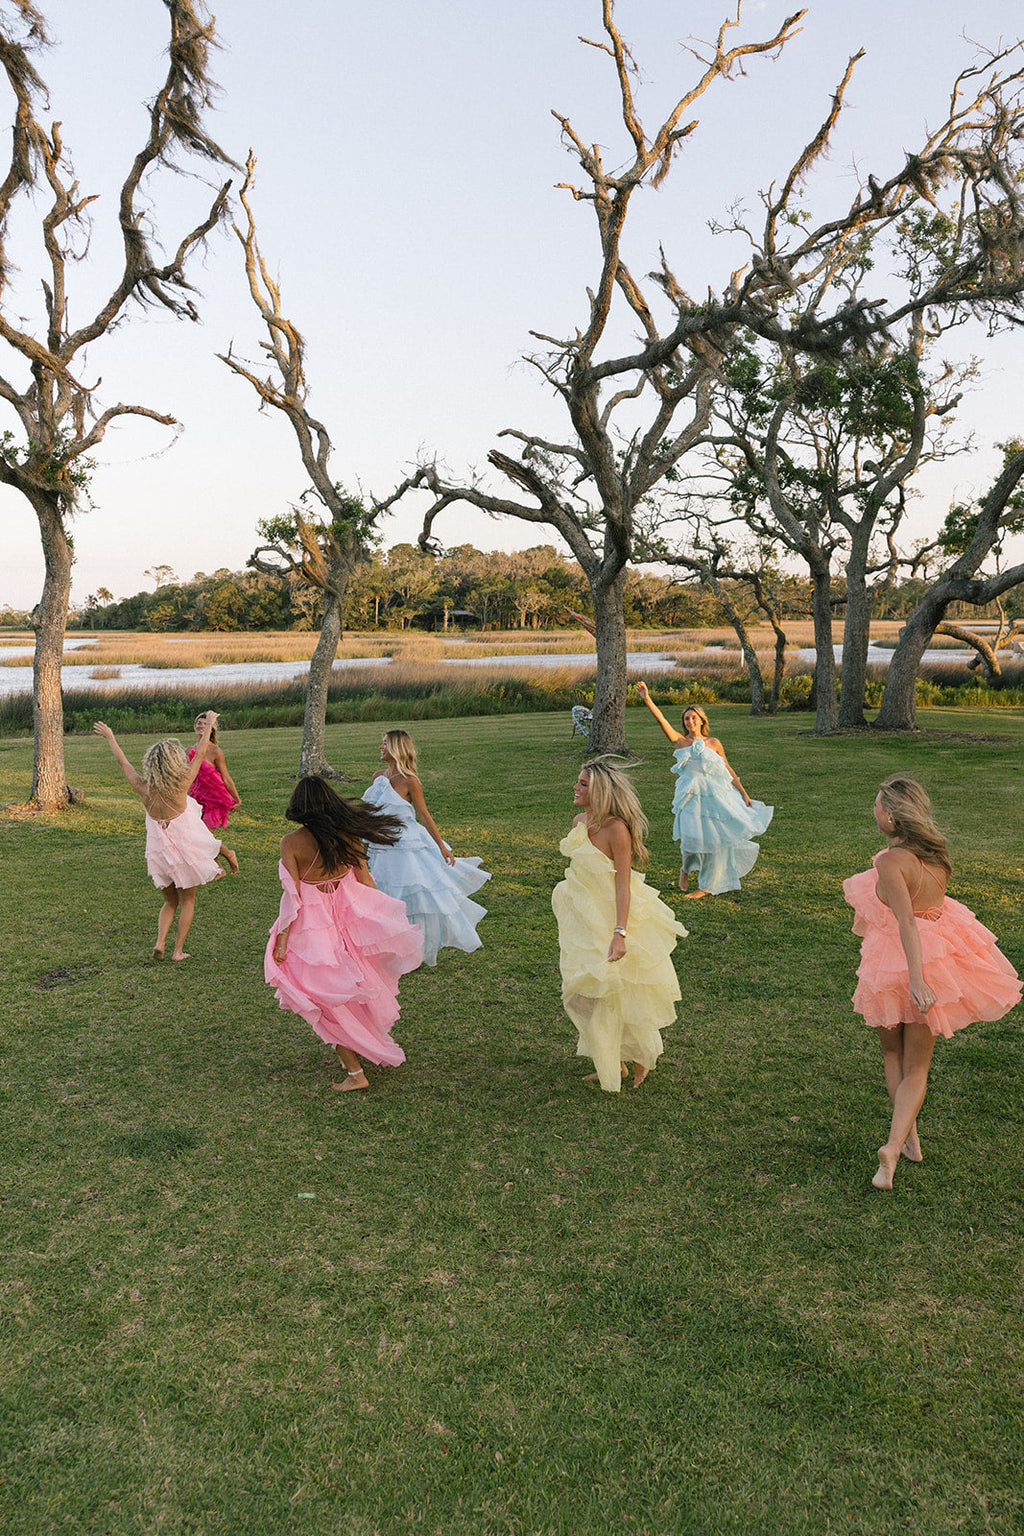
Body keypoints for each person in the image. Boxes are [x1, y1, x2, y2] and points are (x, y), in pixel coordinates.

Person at [843, 776, 1021, 1190]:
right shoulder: (937, 855)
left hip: (899, 962)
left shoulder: (889, 862)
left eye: (877, 805)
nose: (874, 811)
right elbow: (930, 912)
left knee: (894, 1058)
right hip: (938, 958)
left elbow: (905, 921)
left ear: (890, 815)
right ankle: (906, 1140)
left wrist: (916, 979)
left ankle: (893, 1146)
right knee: (917, 1067)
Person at [265, 777, 424, 1091]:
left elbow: (292, 896)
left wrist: (282, 939)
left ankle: (355, 1073)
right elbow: (366, 881)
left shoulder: (291, 843)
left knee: (319, 996)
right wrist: (381, 919)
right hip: (349, 917)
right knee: (351, 987)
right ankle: (357, 1049)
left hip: (314, 924)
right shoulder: (348, 836)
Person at [552, 757, 687, 1092]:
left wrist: (620, 933)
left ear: (598, 791)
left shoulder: (616, 830)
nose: (576, 786)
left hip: (616, 918)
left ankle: (641, 1057)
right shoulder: (579, 821)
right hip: (585, 918)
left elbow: (623, 884)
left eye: (583, 783)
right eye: (578, 781)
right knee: (589, 991)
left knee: (624, 991)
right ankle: (612, 1060)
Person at [93, 714, 238, 961]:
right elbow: (201, 753)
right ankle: (177, 951)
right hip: (183, 851)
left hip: (159, 852)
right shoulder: (182, 782)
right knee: (188, 901)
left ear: (151, 763)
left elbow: (123, 763)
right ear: (174, 762)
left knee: (170, 902)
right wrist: (209, 725)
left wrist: (111, 738)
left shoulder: (142, 785)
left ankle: (160, 942)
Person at [362, 729, 489, 967]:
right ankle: (387, 948)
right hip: (380, 847)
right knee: (383, 896)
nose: (380, 747)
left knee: (410, 898)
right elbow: (369, 815)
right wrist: (364, 844)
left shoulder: (410, 781)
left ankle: (413, 951)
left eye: (385, 744)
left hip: (406, 848)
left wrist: (442, 847)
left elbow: (424, 815)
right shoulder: (377, 777)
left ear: (397, 749)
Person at [636, 682, 773, 898]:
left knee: (715, 841)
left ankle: (705, 886)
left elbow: (727, 768)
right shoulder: (680, 742)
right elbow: (661, 720)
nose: (690, 721)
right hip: (690, 795)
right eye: (686, 718)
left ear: (701, 720)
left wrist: (744, 793)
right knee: (691, 840)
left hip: (714, 796)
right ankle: (685, 869)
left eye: (693, 717)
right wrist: (647, 698)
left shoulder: (714, 742)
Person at [187, 712, 240, 829]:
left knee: (205, 836)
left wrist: (236, 798)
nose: (201, 726)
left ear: (211, 729)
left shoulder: (215, 751)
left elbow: (226, 777)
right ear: (195, 726)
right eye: (199, 723)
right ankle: (225, 849)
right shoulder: (189, 750)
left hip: (213, 800)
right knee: (196, 835)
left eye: (206, 724)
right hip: (195, 799)